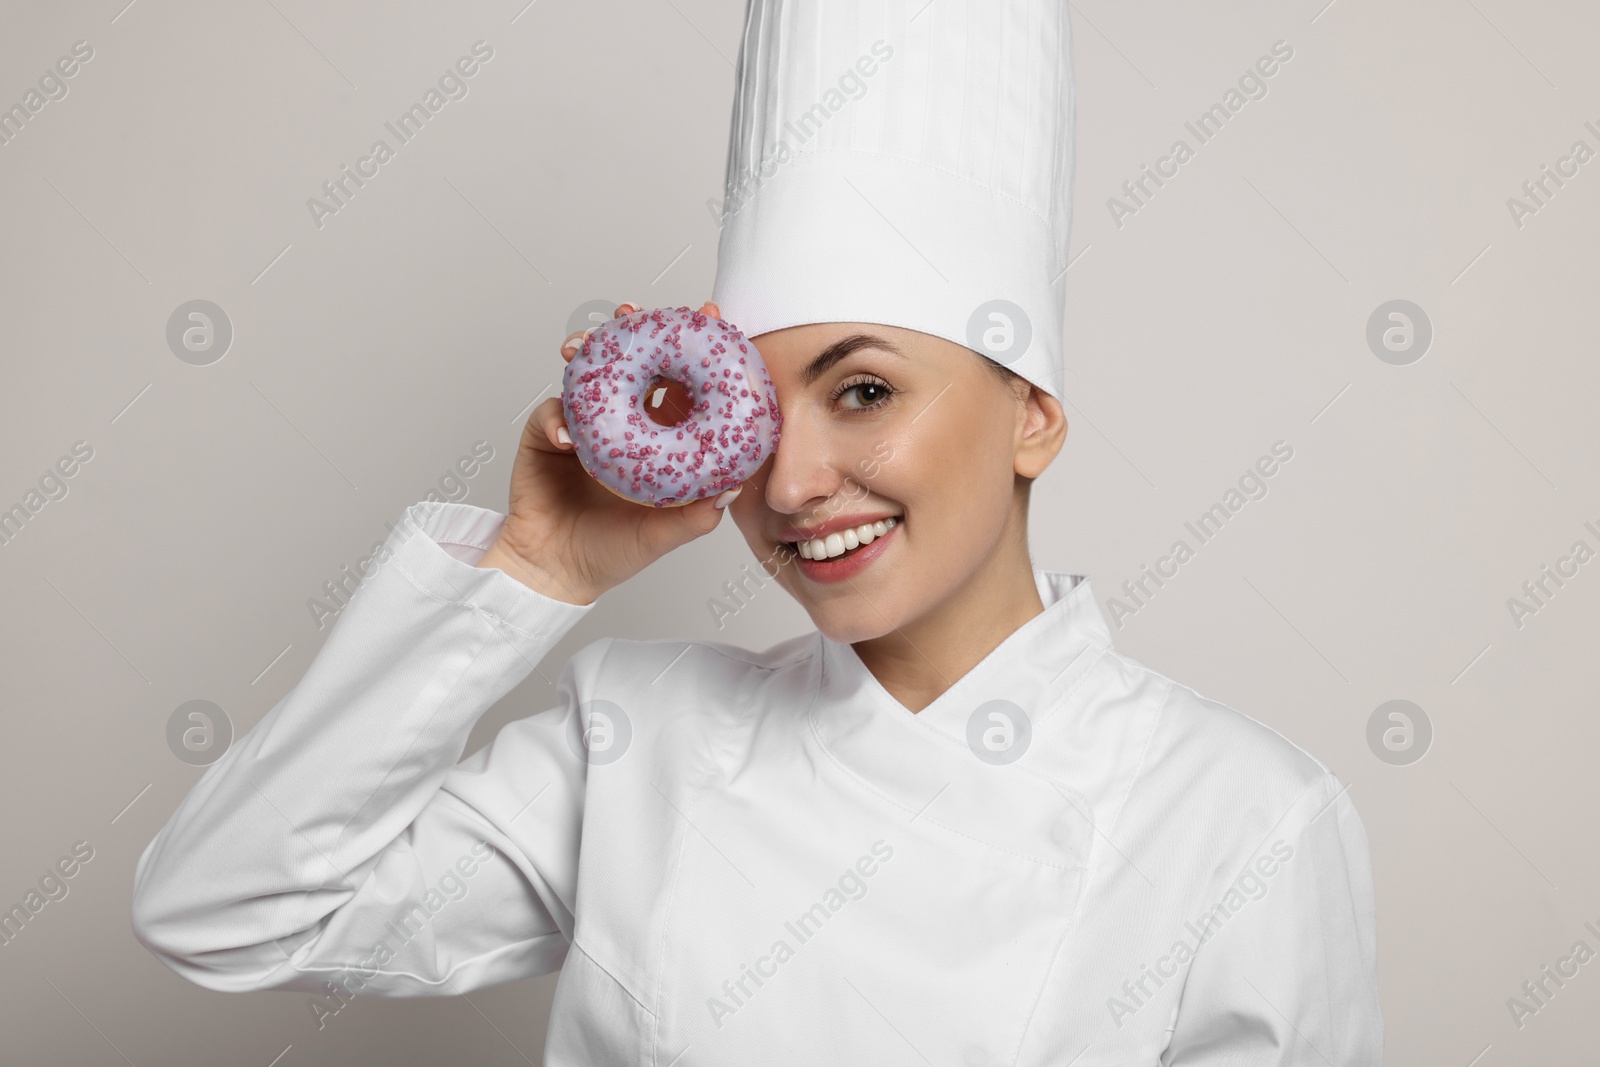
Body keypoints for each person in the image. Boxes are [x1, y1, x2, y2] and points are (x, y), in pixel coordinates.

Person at [131, 2, 1382, 1063]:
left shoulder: (1239, 815)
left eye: (863, 391)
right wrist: (534, 571)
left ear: (1031, 417)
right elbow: (225, 908)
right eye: (754, 408)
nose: (787, 482)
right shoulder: (638, 735)